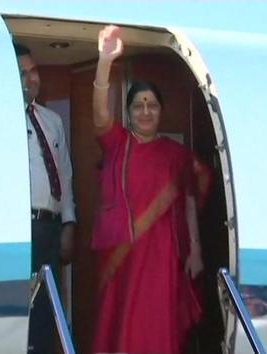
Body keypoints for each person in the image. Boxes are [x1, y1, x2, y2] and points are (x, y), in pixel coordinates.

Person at [91, 25, 205, 354]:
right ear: (128, 112)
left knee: (158, 323)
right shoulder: (118, 144)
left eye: (151, 105)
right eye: (138, 105)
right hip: (123, 254)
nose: (145, 111)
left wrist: (195, 249)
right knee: (123, 322)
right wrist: (104, 61)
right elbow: (100, 115)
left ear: (161, 111)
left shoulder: (176, 154)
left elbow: (188, 203)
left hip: (163, 253)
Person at [14, 43, 76, 354]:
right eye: (22, 72)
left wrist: (69, 223)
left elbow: (64, 174)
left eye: (33, 70)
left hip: (50, 230)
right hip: (18, 229)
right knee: (18, 312)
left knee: (48, 311)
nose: (30, 78)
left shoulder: (52, 120)